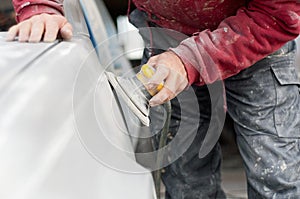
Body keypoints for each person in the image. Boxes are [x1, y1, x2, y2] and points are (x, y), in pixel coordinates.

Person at [9, 0, 300, 198]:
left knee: (274, 175)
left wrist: (193, 59)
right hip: (165, 35)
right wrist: (40, 6)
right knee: (186, 179)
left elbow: (282, 10)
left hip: (256, 37)